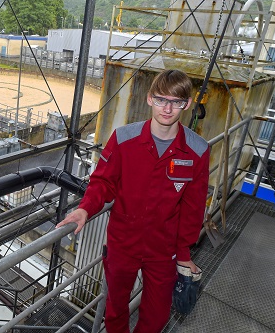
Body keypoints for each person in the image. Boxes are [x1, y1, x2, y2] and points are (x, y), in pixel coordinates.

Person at [56, 69, 210, 333]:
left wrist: (183, 254)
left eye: (176, 102)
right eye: (161, 99)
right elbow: (103, 182)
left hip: (164, 249)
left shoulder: (197, 150)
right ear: (150, 99)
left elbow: (193, 207)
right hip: (122, 243)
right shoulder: (124, 138)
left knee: (158, 315)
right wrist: (85, 210)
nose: (167, 108)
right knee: (115, 310)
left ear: (186, 104)